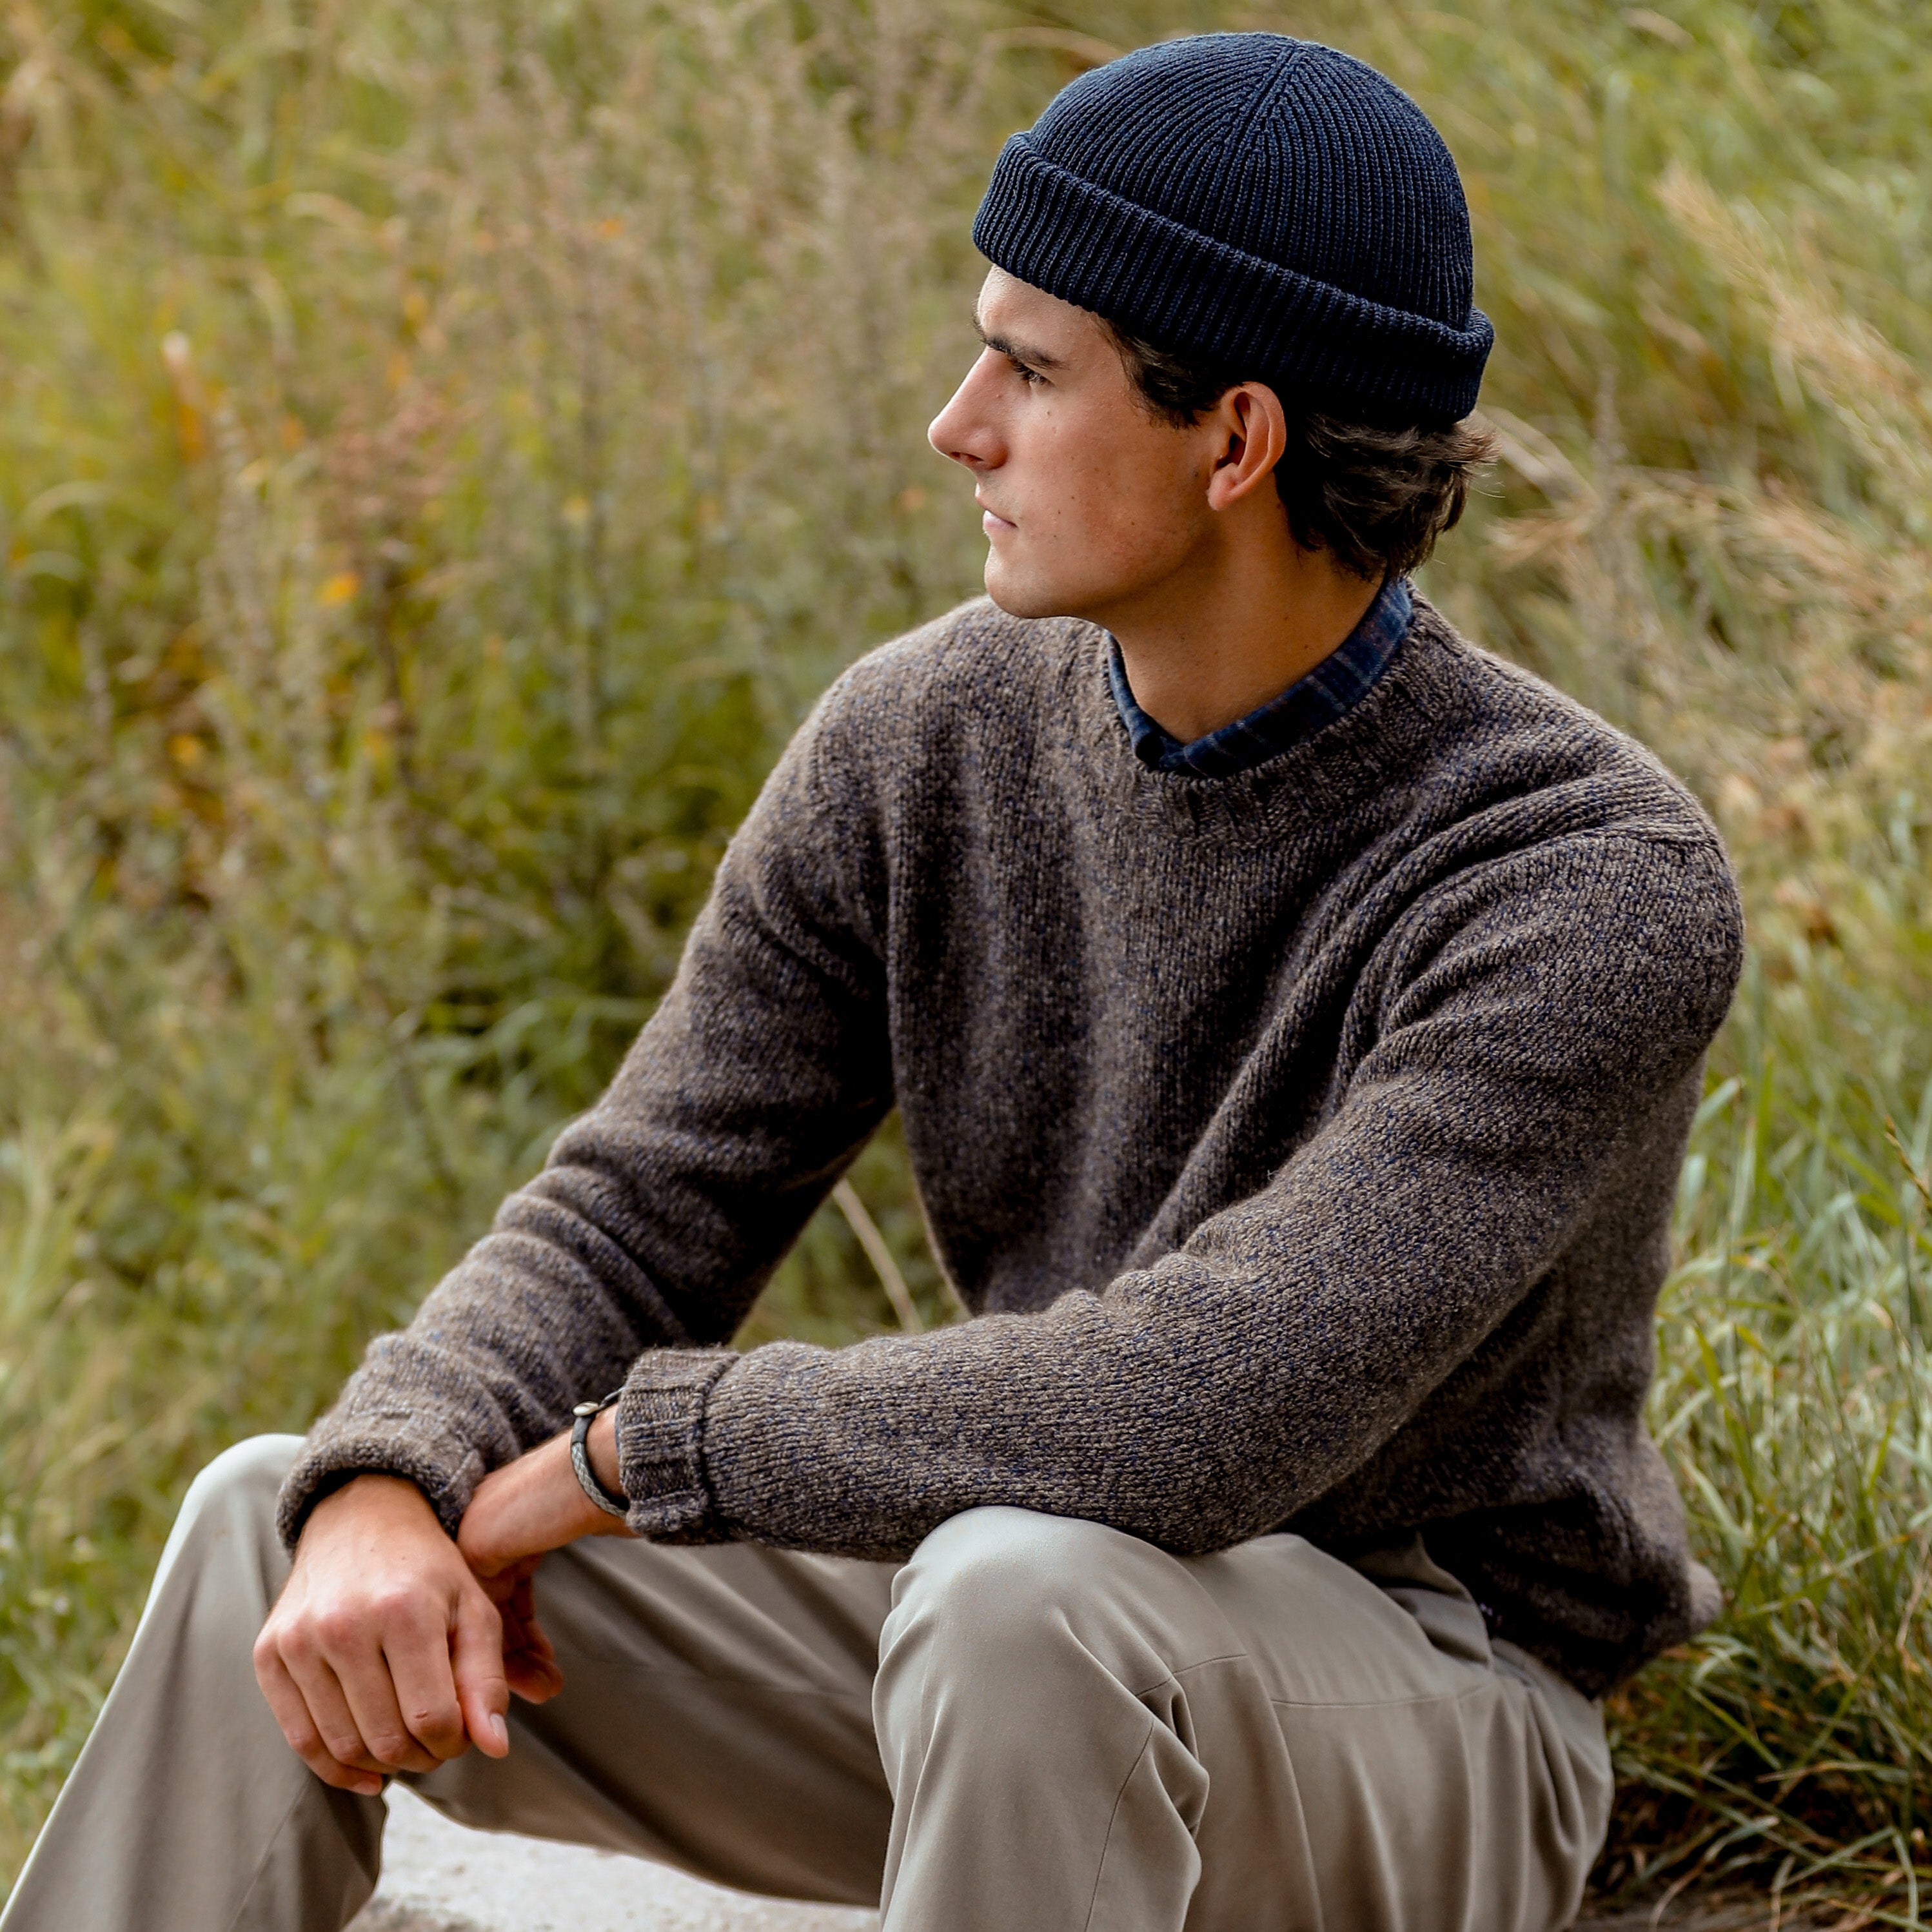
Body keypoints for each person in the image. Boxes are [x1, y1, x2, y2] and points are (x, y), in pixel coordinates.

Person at [1, 32, 1743, 1932]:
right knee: (281, 1521)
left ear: (1234, 438)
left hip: (1421, 1711)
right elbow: (636, 1208)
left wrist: (631, 1450)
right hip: (1001, 1651)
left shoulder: (1583, 876)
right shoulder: (921, 738)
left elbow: (1208, 1406)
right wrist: (388, 1473)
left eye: (1029, 367)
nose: (955, 421)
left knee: (1022, 1593)